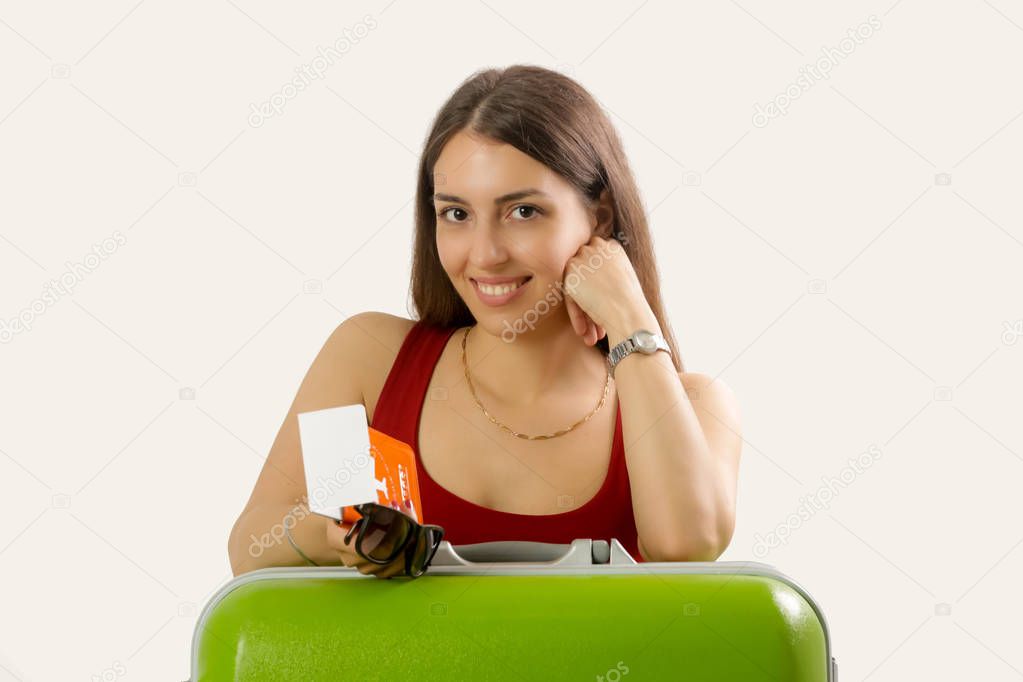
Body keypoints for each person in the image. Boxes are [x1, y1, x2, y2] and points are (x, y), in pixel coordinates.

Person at [228, 65, 742, 578]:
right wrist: (334, 535)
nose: (486, 255)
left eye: (523, 212)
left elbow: (683, 547)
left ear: (600, 217)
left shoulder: (695, 408)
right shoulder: (370, 360)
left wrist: (630, 316)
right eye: (456, 214)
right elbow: (251, 547)